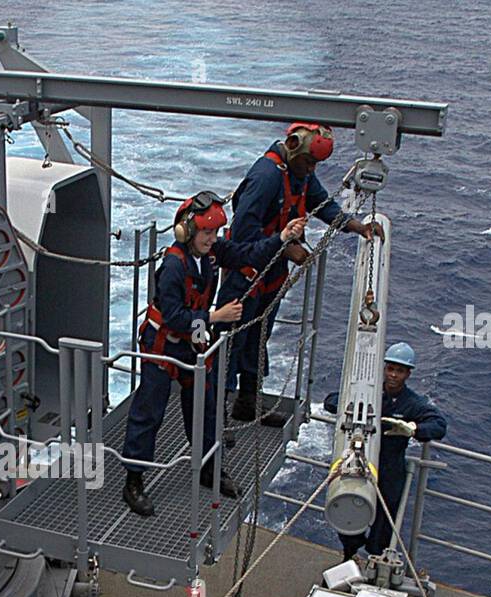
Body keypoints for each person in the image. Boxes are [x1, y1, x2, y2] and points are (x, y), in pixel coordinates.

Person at [121, 190, 306, 516]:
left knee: (205, 410)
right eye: (206, 232)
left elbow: (248, 254)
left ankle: (208, 468)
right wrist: (215, 317)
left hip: (193, 343)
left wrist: (281, 237)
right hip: (163, 346)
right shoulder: (173, 267)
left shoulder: (210, 253)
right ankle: (133, 480)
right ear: (187, 230)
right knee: (149, 412)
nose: (212, 238)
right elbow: (175, 315)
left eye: (215, 232)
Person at [220, 122, 383, 427]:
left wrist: (356, 226)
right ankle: (219, 417)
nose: (312, 170)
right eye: (310, 162)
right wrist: (285, 248)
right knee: (233, 341)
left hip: (269, 275)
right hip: (243, 276)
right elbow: (241, 234)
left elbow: (323, 204)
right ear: (294, 147)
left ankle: (247, 403)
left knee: (259, 335)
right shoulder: (266, 177)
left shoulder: (299, 173)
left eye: (315, 164)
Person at [322, 342, 447, 559]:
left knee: (384, 524)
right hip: (361, 464)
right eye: (390, 369)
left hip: (390, 469)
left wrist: (412, 429)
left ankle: (375, 561)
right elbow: (331, 401)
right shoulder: (368, 393)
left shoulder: (412, 403)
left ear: (408, 374)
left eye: (399, 371)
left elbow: (438, 425)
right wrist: (350, 405)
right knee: (350, 511)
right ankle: (349, 554)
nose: (393, 375)